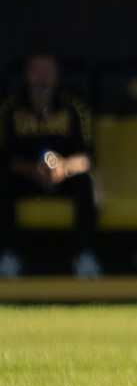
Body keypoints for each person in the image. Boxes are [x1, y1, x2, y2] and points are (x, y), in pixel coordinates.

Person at [1, 53, 98, 278]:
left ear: (57, 77)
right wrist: (31, 169)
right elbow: (4, 156)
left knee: (87, 182)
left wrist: (64, 168)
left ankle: (86, 256)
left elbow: (88, 157)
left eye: (48, 71)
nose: (42, 78)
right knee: (3, 182)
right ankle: (7, 256)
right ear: (25, 76)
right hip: (26, 178)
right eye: (36, 71)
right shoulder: (10, 108)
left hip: (65, 177)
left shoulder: (73, 106)